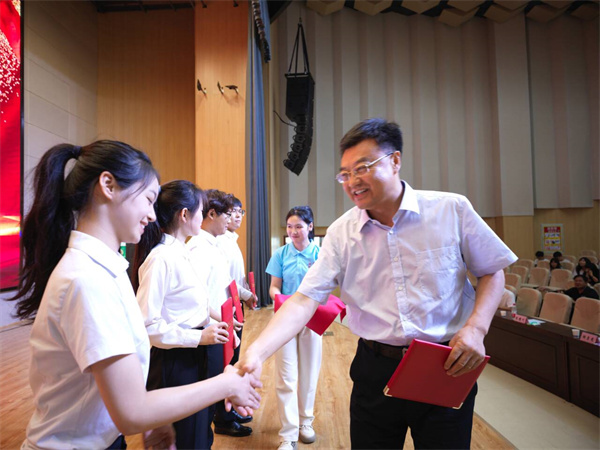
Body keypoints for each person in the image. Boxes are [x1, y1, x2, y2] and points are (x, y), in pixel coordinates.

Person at [236, 118, 517, 449]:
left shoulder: (450, 210)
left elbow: (492, 270)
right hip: (375, 367)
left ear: (395, 161)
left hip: (444, 363)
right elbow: (303, 300)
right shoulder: (341, 234)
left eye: (363, 168)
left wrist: (477, 329)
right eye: (345, 174)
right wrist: (256, 353)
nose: (352, 181)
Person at [8, 141, 260, 449]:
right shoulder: (87, 279)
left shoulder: (107, 269)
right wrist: (226, 384)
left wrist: (155, 417)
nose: (153, 215)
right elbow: (131, 411)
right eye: (148, 199)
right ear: (108, 186)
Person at [133, 180, 232, 449]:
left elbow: (193, 304)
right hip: (174, 360)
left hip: (193, 352)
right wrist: (199, 337)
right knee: (186, 437)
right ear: (184, 214)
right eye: (200, 211)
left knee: (199, 431)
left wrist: (215, 322)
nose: (203, 216)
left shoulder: (181, 252)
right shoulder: (161, 258)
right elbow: (147, 326)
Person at [188, 190, 252, 437]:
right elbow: (198, 298)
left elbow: (223, 286)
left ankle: (217, 425)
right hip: (209, 329)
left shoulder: (213, 245)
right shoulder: (198, 248)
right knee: (209, 390)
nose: (230, 219)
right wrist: (223, 320)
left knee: (220, 378)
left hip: (220, 324)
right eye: (226, 214)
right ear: (211, 214)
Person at [266, 206, 322, 450]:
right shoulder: (280, 254)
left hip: (312, 318)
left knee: (309, 373)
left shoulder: (320, 254)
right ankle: (288, 434)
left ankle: (305, 422)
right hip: (285, 319)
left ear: (310, 226)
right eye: (290, 227)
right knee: (286, 376)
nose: (293, 231)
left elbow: (328, 286)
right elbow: (274, 286)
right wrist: (279, 298)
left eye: (298, 226)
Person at [217, 195, 258, 311]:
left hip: (236, 299)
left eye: (240, 211)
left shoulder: (232, 239)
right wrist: (245, 294)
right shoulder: (220, 240)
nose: (238, 215)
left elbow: (237, 275)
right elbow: (225, 277)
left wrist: (246, 291)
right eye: (233, 211)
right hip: (227, 302)